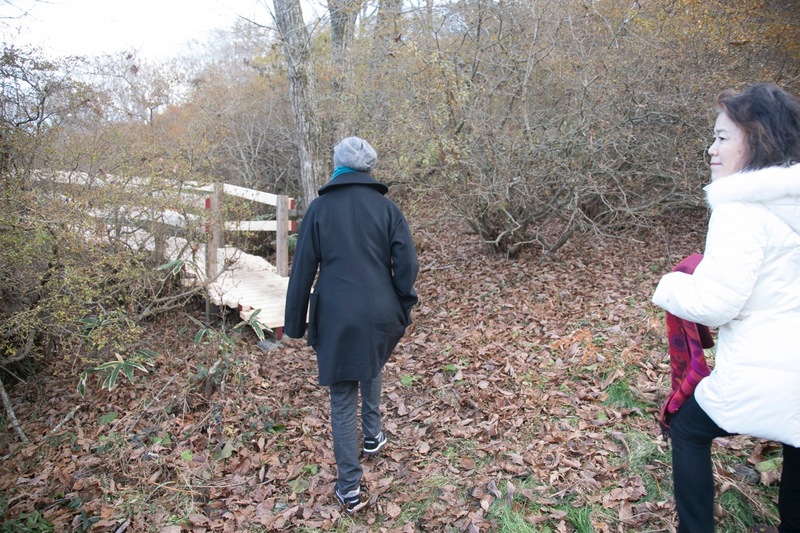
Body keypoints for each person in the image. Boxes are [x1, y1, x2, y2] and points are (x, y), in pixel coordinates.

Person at [652, 82, 800, 532]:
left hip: (765, 368)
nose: (711, 149)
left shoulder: (741, 207)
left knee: (687, 429)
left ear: (756, 137)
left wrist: (671, 285)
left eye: (721, 137)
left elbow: (715, 304)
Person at [283, 136, 419, 515]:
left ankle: (350, 488)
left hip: (337, 315)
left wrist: (294, 323)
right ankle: (372, 435)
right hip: (381, 311)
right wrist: (403, 303)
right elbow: (407, 264)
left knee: (343, 396)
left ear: (338, 165)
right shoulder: (387, 208)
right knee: (371, 362)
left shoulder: (320, 209)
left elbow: (303, 269)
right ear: (369, 167)